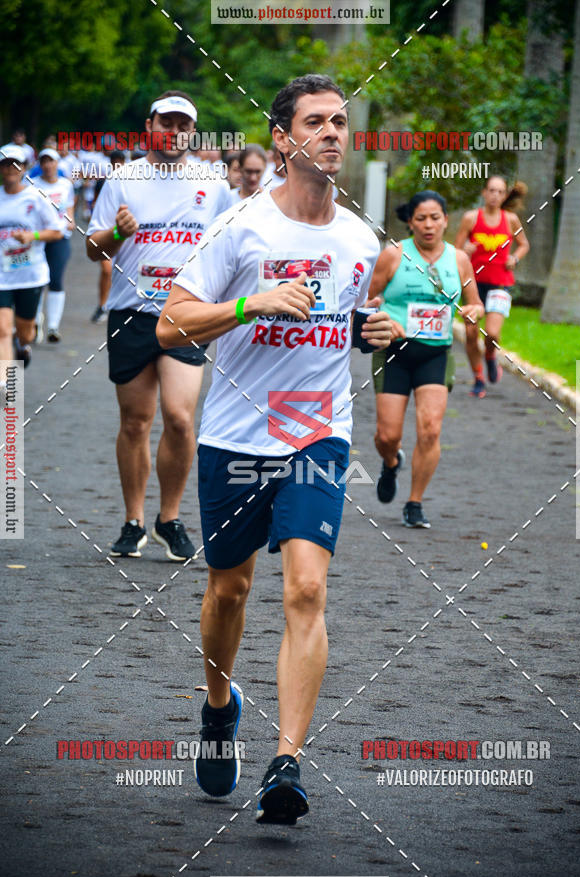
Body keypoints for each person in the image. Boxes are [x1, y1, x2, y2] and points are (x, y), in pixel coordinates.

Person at [157, 74, 392, 824]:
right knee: (229, 590)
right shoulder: (240, 227)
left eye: (341, 122)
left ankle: (286, 763)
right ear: (283, 138)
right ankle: (218, 706)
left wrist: (372, 333)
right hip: (234, 436)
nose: (333, 133)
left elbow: (347, 321)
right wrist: (249, 303)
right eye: (316, 122)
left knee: (306, 590)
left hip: (317, 435)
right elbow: (169, 324)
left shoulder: (360, 240)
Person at [86, 91, 232, 560]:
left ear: (193, 132)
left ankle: (169, 518)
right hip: (131, 313)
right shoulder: (123, 179)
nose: (174, 132)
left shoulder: (213, 184)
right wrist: (118, 233)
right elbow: (93, 248)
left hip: (186, 312)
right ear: (149, 126)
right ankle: (133, 521)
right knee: (135, 422)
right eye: (166, 123)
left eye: (183, 125)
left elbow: (230, 248)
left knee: (180, 418)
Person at [369, 191, 484, 528]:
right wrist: (384, 320)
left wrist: (474, 312)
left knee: (430, 429)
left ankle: (414, 503)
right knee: (386, 436)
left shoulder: (459, 259)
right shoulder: (393, 255)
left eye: (435, 218)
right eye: (421, 218)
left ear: (446, 220)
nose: (428, 225)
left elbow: (475, 302)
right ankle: (391, 462)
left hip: (435, 353)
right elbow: (366, 301)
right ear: (410, 222)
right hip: (394, 352)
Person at [454, 176, 529, 398]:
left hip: (500, 284)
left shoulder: (511, 220)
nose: (495, 195)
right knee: (470, 333)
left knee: (493, 334)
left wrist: (515, 258)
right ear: (484, 193)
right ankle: (478, 378)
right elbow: (455, 250)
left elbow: (524, 244)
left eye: (500, 192)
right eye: (492, 190)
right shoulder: (470, 218)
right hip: (473, 285)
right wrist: (465, 250)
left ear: (505, 196)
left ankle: (489, 355)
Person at [0, 144, 62, 376]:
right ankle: (9, 388)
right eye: (6, 164)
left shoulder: (36, 197)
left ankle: (22, 343)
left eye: (16, 164)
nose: (11, 169)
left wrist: (32, 236)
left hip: (30, 275)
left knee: (26, 333)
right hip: (2, 275)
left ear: (24, 168)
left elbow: (56, 231)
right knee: (2, 329)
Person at [31, 148, 75, 342]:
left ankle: (53, 327)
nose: (48, 165)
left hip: (59, 237)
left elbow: (69, 205)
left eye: (51, 161)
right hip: (38, 237)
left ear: (57, 163)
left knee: (55, 279)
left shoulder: (65, 184)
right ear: (40, 164)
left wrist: (71, 219)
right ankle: (35, 321)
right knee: (38, 281)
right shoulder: (32, 184)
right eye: (44, 161)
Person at [90, 150, 126, 325]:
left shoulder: (132, 182)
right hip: (108, 232)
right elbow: (95, 204)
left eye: (120, 162)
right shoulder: (103, 182)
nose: (117, 165)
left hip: (127, 235)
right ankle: (102, 305)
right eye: (115, 162)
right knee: (107, 270)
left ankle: (120, 304)